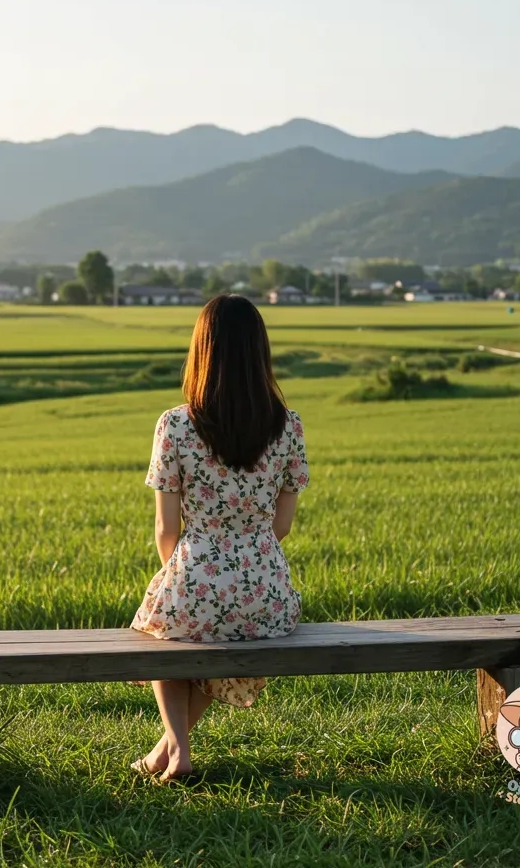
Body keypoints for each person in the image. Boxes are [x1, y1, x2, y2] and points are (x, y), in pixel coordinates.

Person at [130, 294, 308, 782]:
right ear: (259, 351)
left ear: (201, 350)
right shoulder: (288, 425)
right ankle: (163, 751)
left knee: (164, 627)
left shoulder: (176, 424)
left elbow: (167, 528)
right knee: (216, 627)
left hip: (198, 569)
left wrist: (184, 569)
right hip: (266, 592)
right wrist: (248, 554)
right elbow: (284, 524)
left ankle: (178, 751)